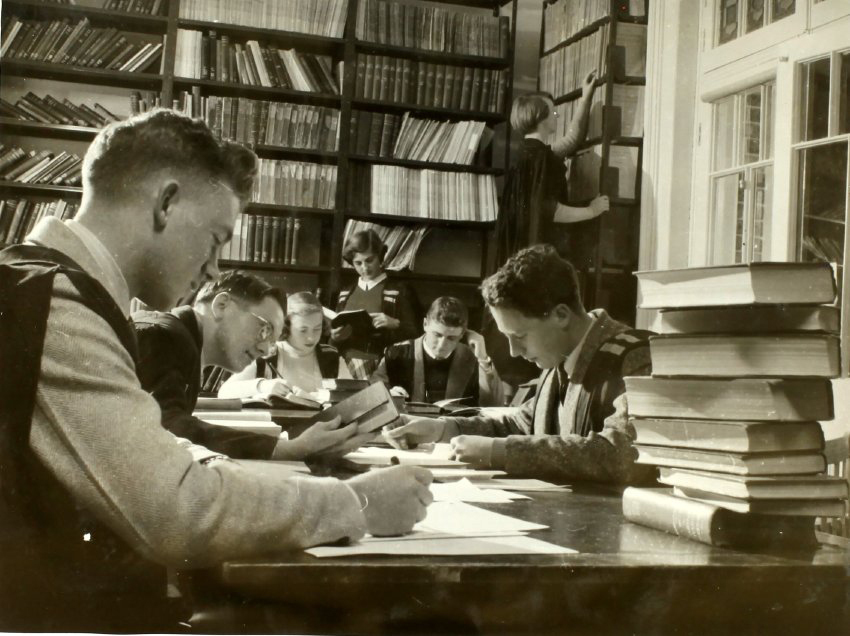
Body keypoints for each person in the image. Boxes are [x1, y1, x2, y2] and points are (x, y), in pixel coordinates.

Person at [0, 109, 432, 632]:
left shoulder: (47, 286)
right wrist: (358, 501)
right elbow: (176, 513)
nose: (212, 269)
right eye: (215, 239)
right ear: (166, 202)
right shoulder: (58, 304)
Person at [385, 244, 654, 486]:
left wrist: (500, 452)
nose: (514, 352)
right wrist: (441, 428)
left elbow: (623, 453)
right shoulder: (559, 358)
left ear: (561, 315)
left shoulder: (636, 357)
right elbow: (521, 424)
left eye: (520, 336)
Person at [134, 275, 372, 461]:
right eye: (265, 329)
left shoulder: (181, 341)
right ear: (222, 305)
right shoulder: (163, 336)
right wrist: (290, 449)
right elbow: (167, 427)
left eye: (273, 339)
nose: (267, 349)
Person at [495, 70, 610, 266]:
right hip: (536, 258)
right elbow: (550, 210)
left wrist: (585, 97)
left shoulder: (527, 154)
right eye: (554, 112)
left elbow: (571, 140)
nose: (557, 116)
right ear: (541, 117)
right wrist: (592, 210)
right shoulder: (540, 158)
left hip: (519, 254)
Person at [371, 296, 504, 407]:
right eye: (437, 335)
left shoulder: (472, 357)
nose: (442, 345)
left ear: (462, 334)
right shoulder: (396, 353)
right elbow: (372, 396)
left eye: (451, 338)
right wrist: (388, 395)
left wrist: (482, 358)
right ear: (425, 324)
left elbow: (494, 405)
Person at [219, 290, 352, 400]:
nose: (311, 337)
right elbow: (224, 392)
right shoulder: (267, 354)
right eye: (303, 330)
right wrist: (262, 386)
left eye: (317, 329)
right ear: (286, 327)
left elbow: (354, 398)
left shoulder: (331, 357)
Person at [331, 229, 418, 379]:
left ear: (380, 256)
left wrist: (395, 324)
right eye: (358, 263)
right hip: (345, 367)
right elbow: (333, 341)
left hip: (385, 366)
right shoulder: (345, 293)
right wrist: (334, 337)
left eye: (369, 260)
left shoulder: (400, 290)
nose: (364, 268)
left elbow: (417, 334)